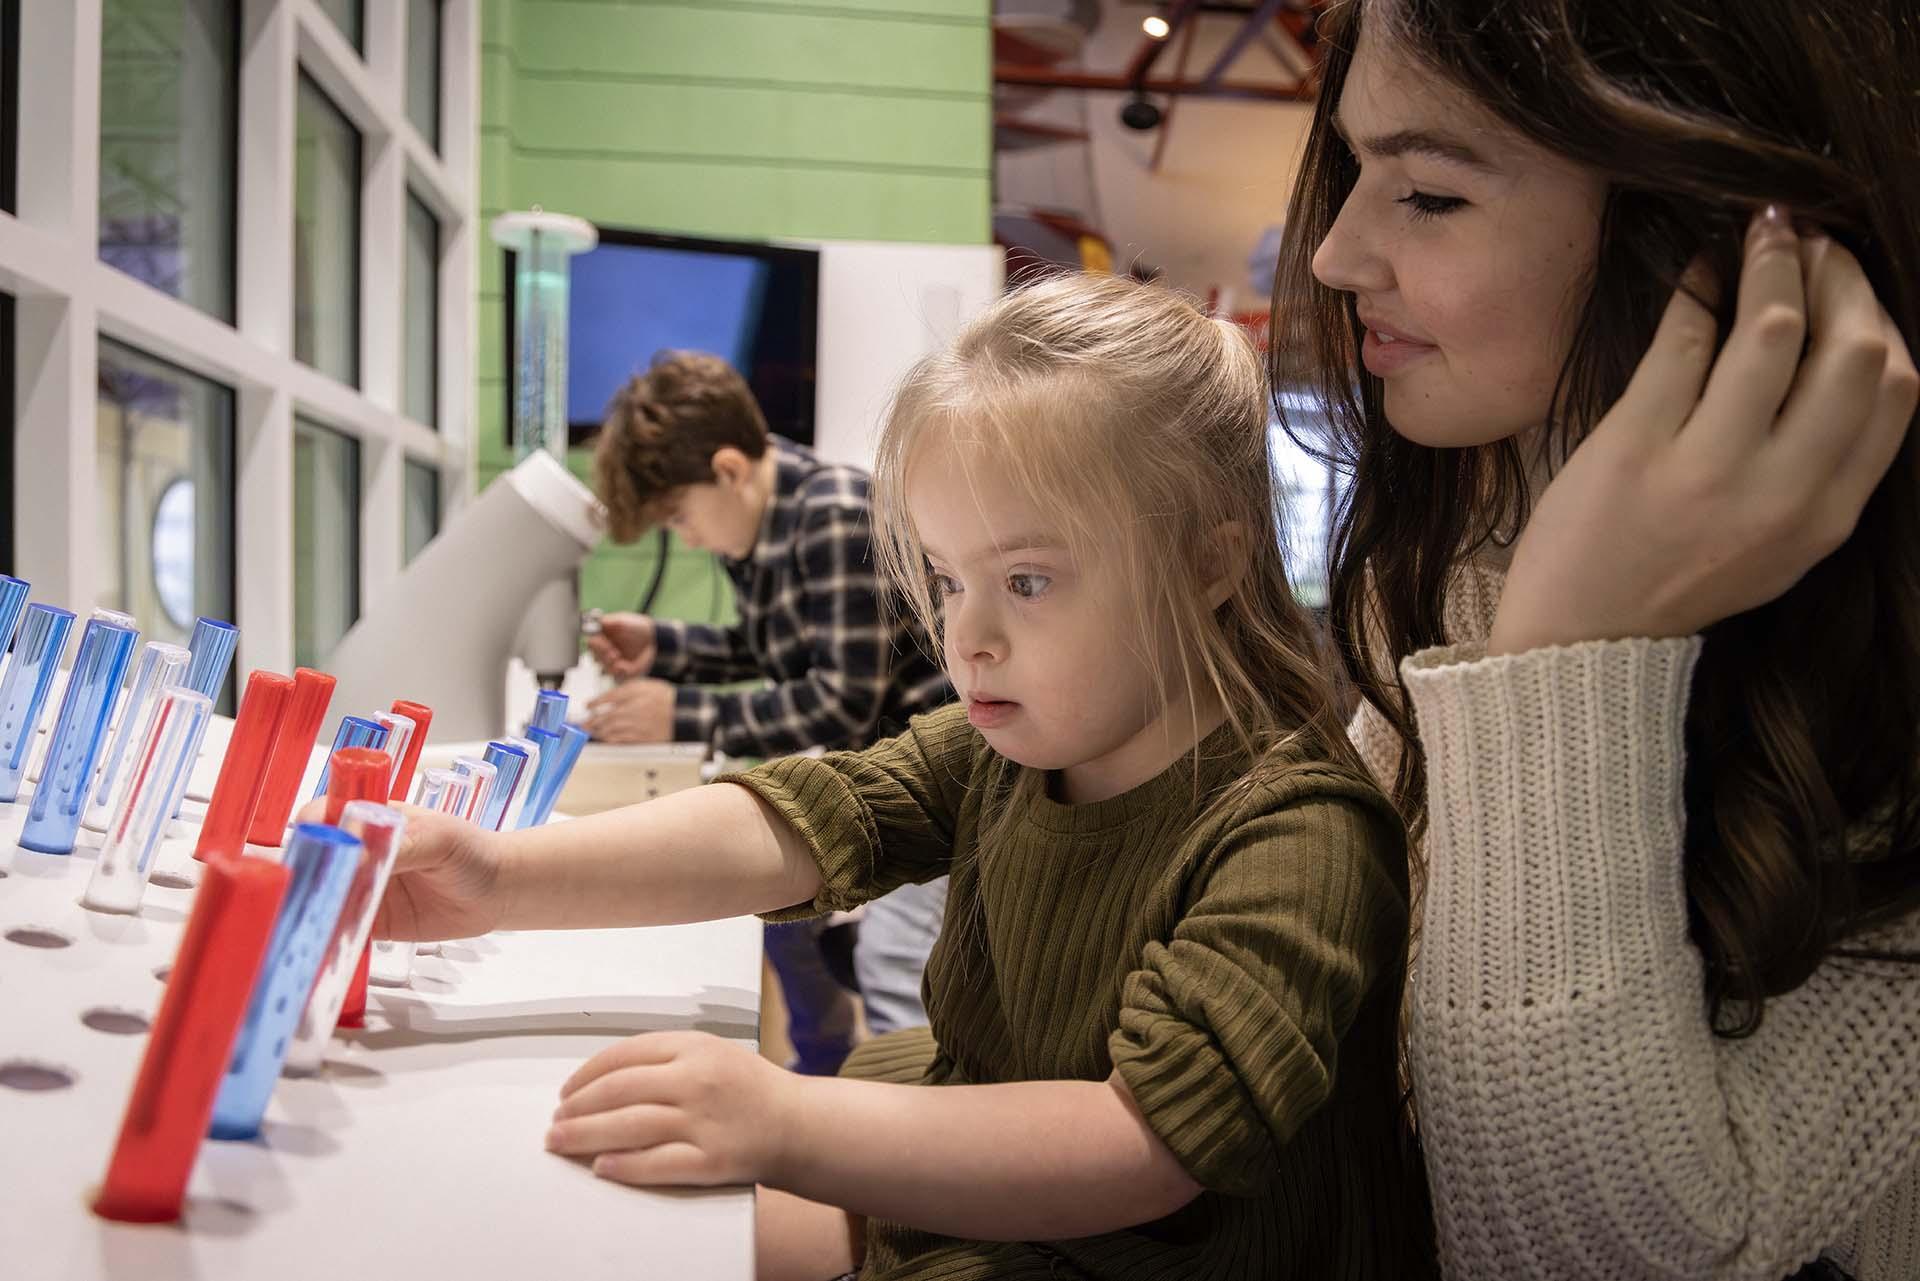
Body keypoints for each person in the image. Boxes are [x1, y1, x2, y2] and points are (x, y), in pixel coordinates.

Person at [371, 274, 1433, 1280]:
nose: (965, 635)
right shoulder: (1007, 753)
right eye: (944, 577)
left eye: (1027, 580)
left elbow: (1141, 1143)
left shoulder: (1300, 837)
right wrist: (503, 874)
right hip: (990, 1212)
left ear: (1209, 562)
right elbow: (808, 818)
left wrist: (782, 1121)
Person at [1270, 1, 1920, 1277]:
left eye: (1431, 195)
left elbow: (1594, 1250)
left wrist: (1568, 654)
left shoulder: (1880, 742)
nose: (1339, 254)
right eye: (1356, 171)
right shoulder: (1462, 576)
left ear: (1716, 239)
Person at [586, 351, 953, 1075]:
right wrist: (662, 644)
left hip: (941, 780)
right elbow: (769, 648)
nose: (685, 538)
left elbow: (837, 698)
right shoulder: (759, 523)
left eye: (679, 515)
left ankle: (918, 1139)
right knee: (787, 918)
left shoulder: (835, 515)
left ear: (727, 468)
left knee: (894, 956)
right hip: (878, 771)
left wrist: (684, 715)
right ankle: (825, 1076)